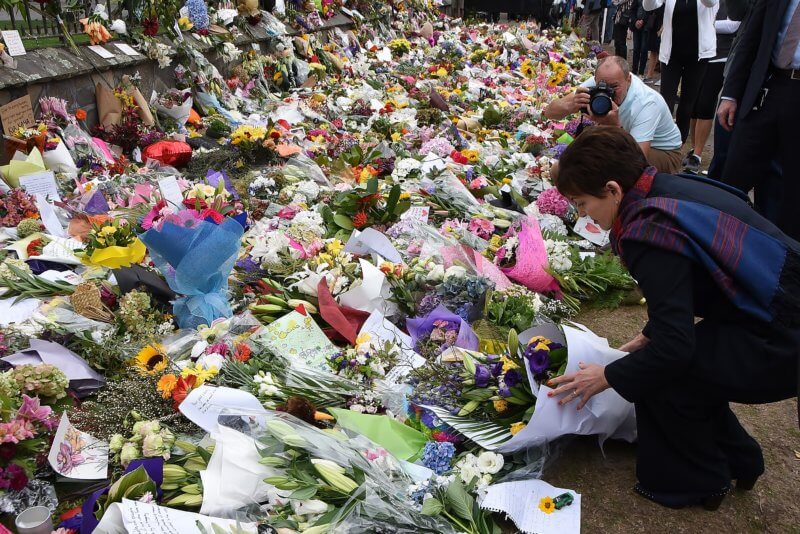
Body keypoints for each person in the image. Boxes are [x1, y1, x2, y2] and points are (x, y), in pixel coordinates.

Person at [550, 125, 799, 510]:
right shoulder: (667, 188)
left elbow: (675, 348)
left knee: (661, 374)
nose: (585, 216)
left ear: (614, 190)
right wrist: (652, 334)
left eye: (582, 203)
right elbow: (694, 280)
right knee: (680, 364)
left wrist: (607, 376)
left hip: (782, 337)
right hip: (774, 312)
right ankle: (739, 459)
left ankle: (699, 481)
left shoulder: (646, 229)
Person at [717, 0, 800, 241]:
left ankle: (784, 258)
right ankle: (718, 240)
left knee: (792, 191)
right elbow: (751, 39)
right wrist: (731, 94)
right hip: (769, 88)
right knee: (735, 173)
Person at [544, 56, 683, 172]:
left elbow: (637, 161)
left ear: (628, 80)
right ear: (596, 79)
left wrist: (614, 127)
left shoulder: (646, 102)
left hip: (662, 151)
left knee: (601, 164)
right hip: (629, 140)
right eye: (601, 86)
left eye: (614, 87)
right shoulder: (599, 83)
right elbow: (549, 112)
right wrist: (570, 105)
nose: (607, 92)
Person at [644, 0, 719, 149]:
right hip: (671, 54)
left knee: (687, 104)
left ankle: (679, 146)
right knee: (666, 100)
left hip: (698, 55)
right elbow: (649, 6)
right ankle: (661, 142)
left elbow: (710, 3)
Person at [683, 0, 741, 172]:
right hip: (698, 55)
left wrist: (704, 24)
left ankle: (698, 154)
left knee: (705, 104)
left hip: (720, 56)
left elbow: (734, 25)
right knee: (694, 105)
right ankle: (693, 149)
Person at [642, 5, 664, 83]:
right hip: (653, 24)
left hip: (662, 25)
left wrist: (662, 28)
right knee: (652, 50)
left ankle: (663, 78)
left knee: (661, 52)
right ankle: (649, 75)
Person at [631, 0, 651, 75]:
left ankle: (641, 72)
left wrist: (643, 21)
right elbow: (632, 10)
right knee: (636, 48)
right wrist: (635, 21)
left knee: (644, 49)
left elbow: (650, 11)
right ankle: (634, 70)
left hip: (646, 26)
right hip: (636, 26)